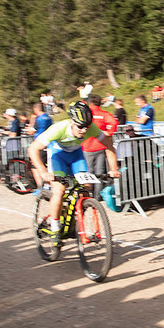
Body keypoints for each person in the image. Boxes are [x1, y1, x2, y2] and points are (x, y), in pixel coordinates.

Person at [28, 101, 122, 240]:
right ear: (72, 121)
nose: (84, 130)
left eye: (87, 127)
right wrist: (43, 171)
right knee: (59, 190)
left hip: (77, 157)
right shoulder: (58, 128)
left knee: (86, 189)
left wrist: (114, 168)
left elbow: (108, 145)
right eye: (80, 127)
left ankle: (77, 223)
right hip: (58, 157)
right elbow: (33, 149)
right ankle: (55, 227)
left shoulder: (91, 129)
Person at [82, 94, 119, 178]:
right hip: (101, 145)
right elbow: (114, 122)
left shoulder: (86, 114)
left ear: (90, 103)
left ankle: (89, 190)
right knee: (100, 173)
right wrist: (108, 133)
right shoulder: (104, 114)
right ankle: (98, 191)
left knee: (87, 173)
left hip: (86, 146)